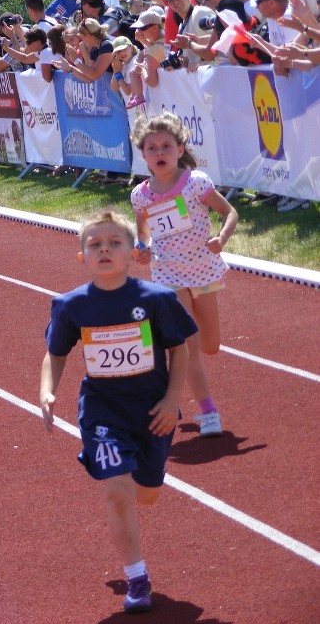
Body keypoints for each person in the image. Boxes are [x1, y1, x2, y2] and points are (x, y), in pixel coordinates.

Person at [39, 208, 196, 615]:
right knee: (118, 491)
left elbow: (179, 350)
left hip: (153, 411)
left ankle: (126, 465)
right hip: (102, 411)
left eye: (114, 243)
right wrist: (47, 391)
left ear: (133, 252)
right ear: (81, 256)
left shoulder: (156, 299)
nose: (104, 249)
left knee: (147, 494)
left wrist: (172, 399)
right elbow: (54, 355)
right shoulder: (70, 305)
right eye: (94, 245)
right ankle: (137, 577)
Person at [130, 111, 238, 437]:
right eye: (152, 148)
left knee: (211, 346)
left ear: (179, 149)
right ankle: (208, 412)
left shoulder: (196, 183)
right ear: (143, 154)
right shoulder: (141, 195)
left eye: (166, 146)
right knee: (187, 348)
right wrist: (140, 250)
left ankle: (174, 369)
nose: (160, 153)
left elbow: (229, 212)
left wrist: (221, 238)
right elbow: (142, 237)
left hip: (203, 271)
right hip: (167, 273)